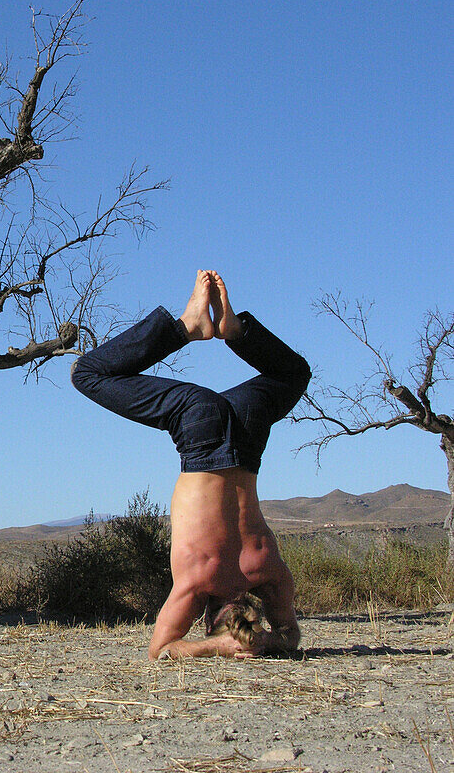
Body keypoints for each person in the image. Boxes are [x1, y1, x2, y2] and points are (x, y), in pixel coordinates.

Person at [70, 271, 310, 659]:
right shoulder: (200, 581)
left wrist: (265, 640)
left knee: (294, 374)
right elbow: (161, 650)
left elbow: (290, 637)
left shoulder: (269, 572)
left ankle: (235, 330)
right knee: (88, 374)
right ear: (207, 618)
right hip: (202, 436)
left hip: (248, 436)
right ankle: (185, 327)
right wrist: (217, 646)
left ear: (255, 610)